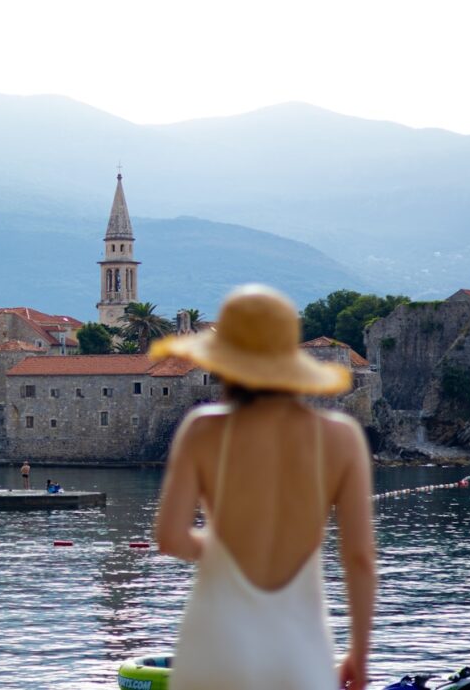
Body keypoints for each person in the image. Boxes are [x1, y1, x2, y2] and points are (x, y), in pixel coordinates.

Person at [152, 284, 376, 690]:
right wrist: (359, 652)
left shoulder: (202, 430)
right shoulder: (341, 438)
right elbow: (358, 557)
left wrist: (224, 546)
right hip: (298, 649)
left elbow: (169, 538)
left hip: (214, 645)